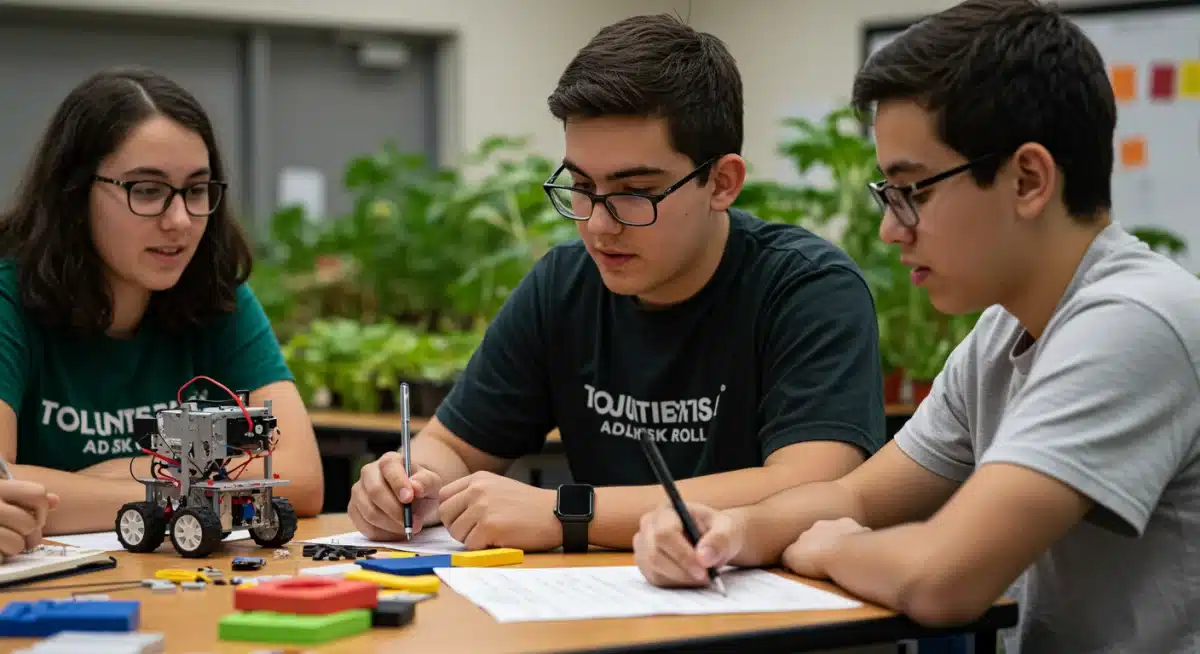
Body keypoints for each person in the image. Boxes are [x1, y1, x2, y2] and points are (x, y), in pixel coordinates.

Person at [632, 1, 1200, 652]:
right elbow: (860, 498)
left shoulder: (1134, 321)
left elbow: (942, 579)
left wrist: (834, 549)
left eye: (914, 191)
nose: (891, 228)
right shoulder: (1000, 335)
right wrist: (731, 529)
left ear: (1028, 179)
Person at [349, 14, 886, 553]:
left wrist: (569, 513)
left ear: (721, 183)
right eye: (581, 187)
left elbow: (811, 483)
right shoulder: (563, 286)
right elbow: (455, 447)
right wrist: (411, 480)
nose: (598, 225)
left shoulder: (807, 289)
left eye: (635, 192)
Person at [0, 67, 324, 536]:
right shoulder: (9, 296)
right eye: (147, 190)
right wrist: (191, 480)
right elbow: (8, 488)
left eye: (195, 190)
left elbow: (301, 479)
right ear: (74, 191)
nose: (180, 221)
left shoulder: (216, 293)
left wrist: (132, 475)